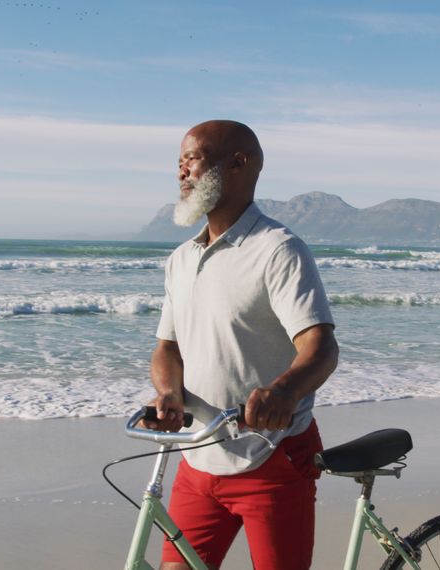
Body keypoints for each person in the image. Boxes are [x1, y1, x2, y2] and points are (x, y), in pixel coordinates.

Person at [143, 119, 338, 569]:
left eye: (191, 160)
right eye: (179, 163)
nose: (181, 173)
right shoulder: (181, 259)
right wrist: (170, 392)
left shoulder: (278, 249)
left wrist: (285, 392)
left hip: (273, 456)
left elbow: (321, 347)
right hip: (200, 457)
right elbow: (167, 348)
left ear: (237, 164)